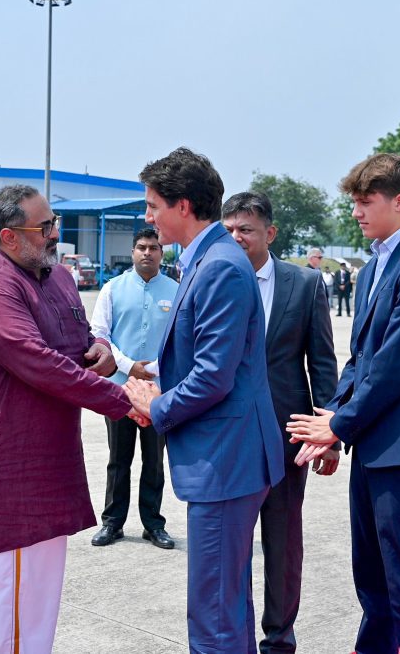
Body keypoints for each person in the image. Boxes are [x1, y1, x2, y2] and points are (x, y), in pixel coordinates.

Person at [0, 185, 136, 653]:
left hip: (44, 464)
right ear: (8, 237)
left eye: (54, 223)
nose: (54, 235)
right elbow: (38, 361)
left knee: (33, 607)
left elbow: (79, 341)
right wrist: (125, 400)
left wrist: (102, 354)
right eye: (43, 228)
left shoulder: (60, 278)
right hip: (1, 470)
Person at [288, 153, 400, 654]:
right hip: (376, 445)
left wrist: (340, 426)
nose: (357, 213)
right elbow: (360, 358)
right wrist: (333, 415)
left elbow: (395, 367)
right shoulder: (376, 268)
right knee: (374, 582)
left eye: (366, 203)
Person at [122, 147, 285, 652]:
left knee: (215, 612)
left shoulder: (219, 266)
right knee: (226, 602)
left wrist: (157, 406)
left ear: (184, 205)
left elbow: (213, 375)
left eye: (153, 206)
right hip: (227, 456)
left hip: (226, 461)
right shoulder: (206, 259)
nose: (147, 218)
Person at [222, 191, 339, 653]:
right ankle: (234, 636)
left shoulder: (305, 284)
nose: (236, 238)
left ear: (269, 233)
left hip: (287, 438)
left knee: (283, 543)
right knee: (230, 548)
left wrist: (328, 435)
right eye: (229, 229)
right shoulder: (214, 279)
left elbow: (322, 365)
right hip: (229, 438)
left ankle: (278, 638)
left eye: (245, 230)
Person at [89, 228, 178, 549]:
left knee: (154, 460)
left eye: (153, 248)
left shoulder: (177, 291)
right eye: (141, 247)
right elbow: (99, 334)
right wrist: (129, 366)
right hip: (119, 390)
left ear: (161, 253)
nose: (147, 253)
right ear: (132, 252)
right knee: (119, 458)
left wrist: (152, 370)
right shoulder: (113, 289)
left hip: (158, 393)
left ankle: (153, 524)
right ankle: (112, 522)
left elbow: (182, 340)